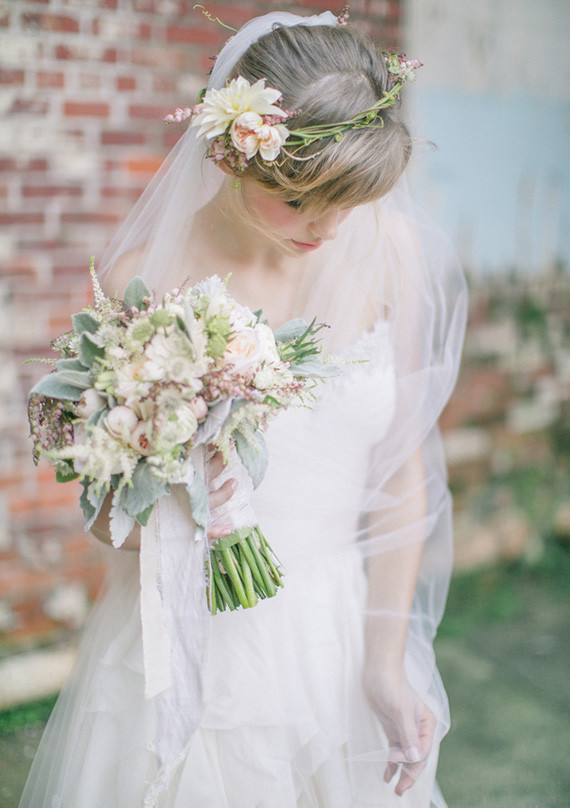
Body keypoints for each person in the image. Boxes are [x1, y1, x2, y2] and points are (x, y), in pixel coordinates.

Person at [19, 9, 467, 808]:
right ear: (229, 152)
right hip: (193, 645)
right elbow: (107, 518)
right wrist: (158, 470)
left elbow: (401, 474)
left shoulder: (387, 249)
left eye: (350, 200)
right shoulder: (145, 280)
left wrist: (383, 660)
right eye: (300, 200)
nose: (329, 227)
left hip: (337, 627)